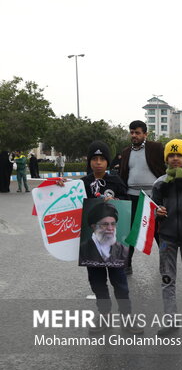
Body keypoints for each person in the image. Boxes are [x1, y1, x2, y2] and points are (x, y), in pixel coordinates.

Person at [62, 141, 141, 334]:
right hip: (92, 246)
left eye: (102, 159)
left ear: (107, 162)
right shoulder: (81, 184)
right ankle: (104, 316)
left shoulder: (116, 182)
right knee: (97, 283)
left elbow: (127, 204)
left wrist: (117, 202)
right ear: (89, 162)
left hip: (114, 244)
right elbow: (67, 203)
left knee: (120, 283)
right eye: (94, 159)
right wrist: (60, 187)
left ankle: (127, 318)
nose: (98, 163)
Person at [152, 139, 182, 336]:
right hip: (167, 237)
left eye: (178, 155)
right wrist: (158, 212)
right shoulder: (159, 183)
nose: (175, 159)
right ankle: (170, 320)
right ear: (166, 158)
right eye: (171, 155)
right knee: (167, 279)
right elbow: (152, 209)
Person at [119, 120, 166, 275]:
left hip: (154, 197)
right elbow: (122, 175)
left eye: (137, 133)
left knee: (158, 232)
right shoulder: (126, 152)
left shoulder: (156, 148)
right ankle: (127, 264)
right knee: (131, 231)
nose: (134, 135)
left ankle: (165, 264)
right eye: (132, 132)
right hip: (132, 196)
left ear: (145, 134)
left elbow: (168, 167)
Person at [80, 202, 129, 268]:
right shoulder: (83, 250)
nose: (110, 228)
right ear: (94, 226)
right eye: (105, 224)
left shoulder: (123, 251)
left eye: (113, 224)